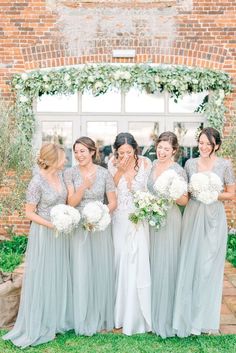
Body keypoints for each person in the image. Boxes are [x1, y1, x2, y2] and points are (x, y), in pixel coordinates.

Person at [3, 143, 73, 348]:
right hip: (44, 234)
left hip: (59, 233)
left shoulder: (60, 177)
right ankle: (38, 321)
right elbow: (29, 213)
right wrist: (51, 224)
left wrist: (66, 217)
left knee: (57, 274)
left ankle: (55, 319)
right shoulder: (36, 182)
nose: (66, 160)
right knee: (43, 275)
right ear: (52, 160)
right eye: (63, 157)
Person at [173, 127, 235, 337]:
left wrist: (212, 193)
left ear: (216, 145)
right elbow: (186, 193)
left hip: (214, 218)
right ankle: (188, 318)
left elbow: (231, 194)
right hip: (193, 215)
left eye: (208, 143)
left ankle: (206, 319)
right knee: (191, 263)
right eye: (201, 142)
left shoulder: (224, 165)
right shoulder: (190, 164)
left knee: (208, 266)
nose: (204, 147)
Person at [64, 136, 117, 335]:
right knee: (80, 268)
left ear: (92, 152)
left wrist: (101, 215)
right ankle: (80, 314)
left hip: (99, 226)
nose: (79, 155)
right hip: (79, 226)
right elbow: (71, 202)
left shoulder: (104, 174)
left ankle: (100, 313)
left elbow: (113, 202)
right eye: (76, 152)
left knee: (99, 268)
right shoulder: (70, 173)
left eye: (83, 151)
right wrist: (84, 185)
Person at [108, 132, 152, 335]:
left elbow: (148, 190)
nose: (125, 155)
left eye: (129, 151)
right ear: (116, 151)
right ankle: (120, 313)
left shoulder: (145, 163)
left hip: (139, 218)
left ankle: (139, 312)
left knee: (139, 261)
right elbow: (111, 188)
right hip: (120, 220)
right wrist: (120, 170)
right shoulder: (112, 162)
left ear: (135, 149)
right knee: (120, 260)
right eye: (121, 152)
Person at [147, 131, 188, 338]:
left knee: (167, 265)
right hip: (151, 221)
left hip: (170, 220)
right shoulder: (152, 166)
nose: (162, 151)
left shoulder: (177, 170)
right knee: (153, 264)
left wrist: (172, 193)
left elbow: (184, 200)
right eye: (160, 147)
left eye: (166, 148)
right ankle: (151, 314)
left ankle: (167, 317)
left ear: (174, 150)